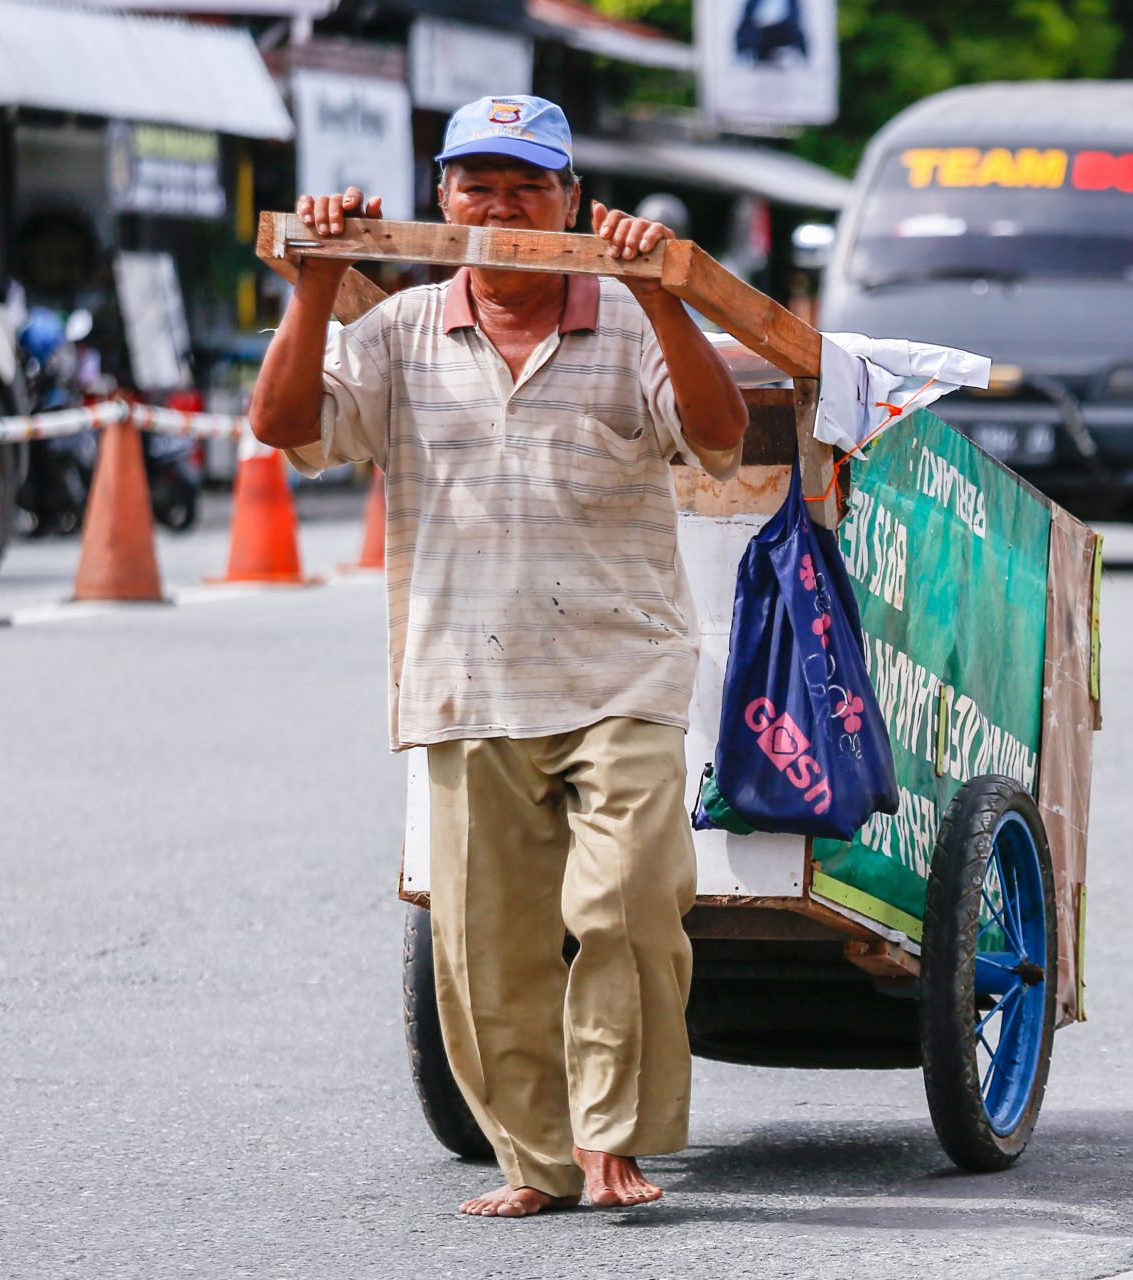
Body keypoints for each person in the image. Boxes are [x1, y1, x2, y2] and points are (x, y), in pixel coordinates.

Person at [249, 94, 749, 1218]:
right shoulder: (401, 330)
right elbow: (286, 426)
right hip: (466, 676)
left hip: (622, 671)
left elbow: (717, 435)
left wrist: (664, 297)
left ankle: (614, 1137)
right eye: (478, 184)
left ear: (571, 198)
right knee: (486, 941)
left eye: (528, 185)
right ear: (442, 198)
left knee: (626, 902)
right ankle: (539, 1158)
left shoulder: (626, 319)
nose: (502, 206)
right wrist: (318, 281)